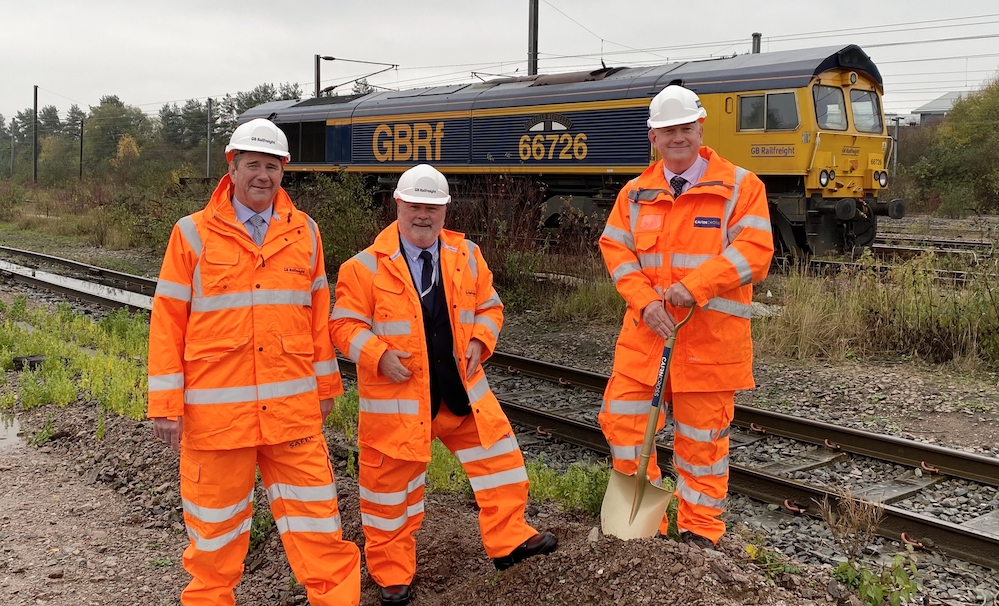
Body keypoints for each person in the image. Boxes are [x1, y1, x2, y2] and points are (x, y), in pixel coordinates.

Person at [147, 118, 361, 605]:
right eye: (253, 165)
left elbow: (317, 315)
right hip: (218, 421)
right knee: (214, 548)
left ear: (283, 170)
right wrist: (165, 402)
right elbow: (167, 322)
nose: (262, 175)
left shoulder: (305, 231)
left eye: (272, 166)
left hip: (292, 417)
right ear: (233, 166)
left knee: (321, 534)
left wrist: (326, 388)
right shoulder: (193, 234)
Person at [330, 163, 557, 606]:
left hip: (461, 396)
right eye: (415, 205)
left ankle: (510, 541)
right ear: (397, 204)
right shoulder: (362, 268)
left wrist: (480, 339)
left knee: (502, 465)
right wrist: (377, 355)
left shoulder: (467, 255)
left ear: (446, 210)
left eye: (432, 207)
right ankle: (392, 574)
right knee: (389, 496)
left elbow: (491, 306)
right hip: (399, 405)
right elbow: (342, 325)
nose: (424, 215)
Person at [598, 86, 774, 548]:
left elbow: (755, 252)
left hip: (710, 345)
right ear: (652, 137)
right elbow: (616, 251)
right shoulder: (635, 194)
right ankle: (642, 532)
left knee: (702, 448)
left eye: (684, 129)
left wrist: (695, 286)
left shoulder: (740, 186)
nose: (677, 138)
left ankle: (699, 536)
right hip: (647, 339)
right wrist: (646, 302)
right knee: (625, 429)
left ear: (700, 129)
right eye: (667, 131)